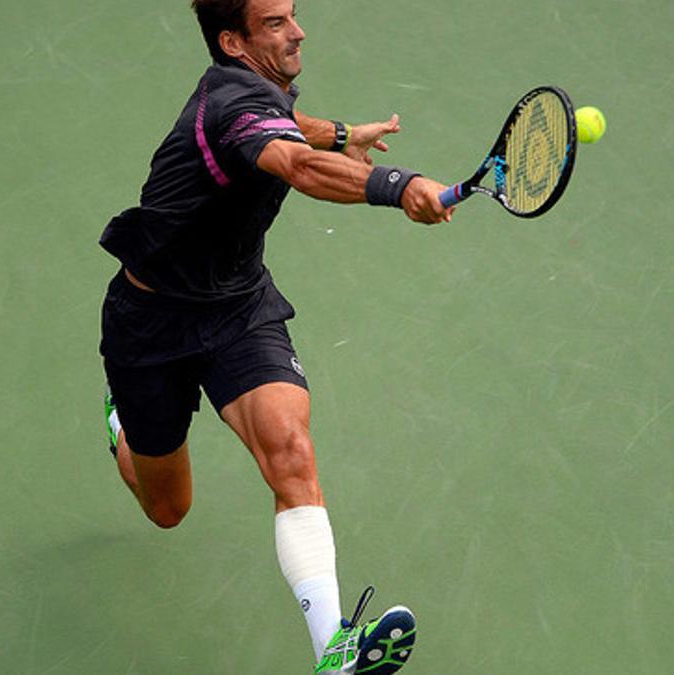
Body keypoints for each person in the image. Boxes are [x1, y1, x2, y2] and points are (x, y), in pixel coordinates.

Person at [97, 1, 451, 672]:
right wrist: (398, 185)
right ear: (233, 41)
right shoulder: (230, 106)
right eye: (275, 23)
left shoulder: (256, 95)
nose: (298, 31)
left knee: (291, 450)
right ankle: (122, 425)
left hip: (238, 306)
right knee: (167, 507)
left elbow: (294, 128)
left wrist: (342, 133)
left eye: (293, 14)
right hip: (151, 323)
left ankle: (335, 651)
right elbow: (296, 164)